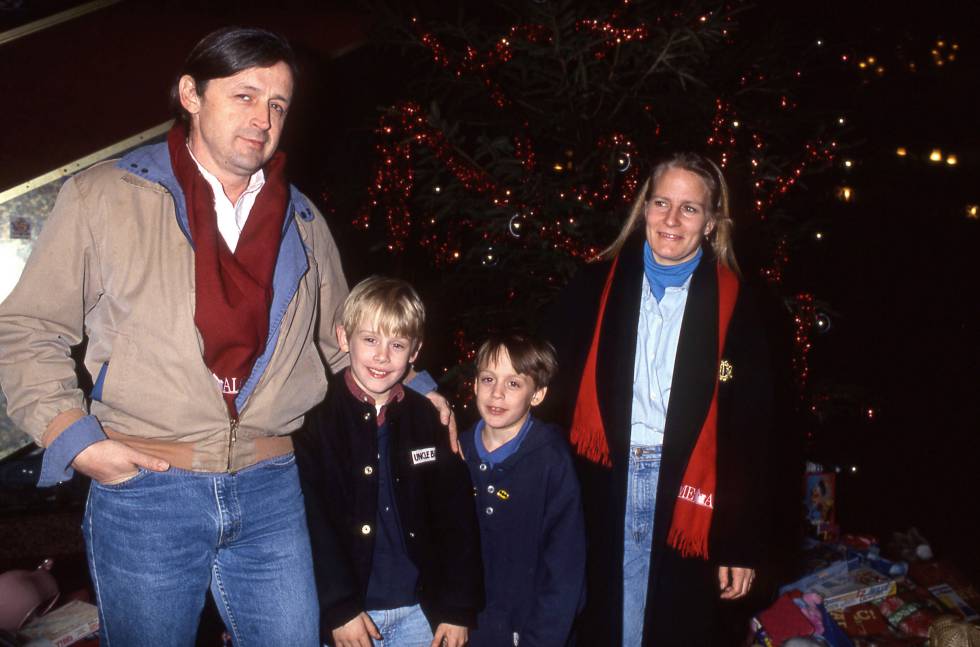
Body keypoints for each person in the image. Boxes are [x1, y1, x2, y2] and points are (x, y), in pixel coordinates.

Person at [0, 27, 451, 647]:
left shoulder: (304, 220)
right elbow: (29, 327)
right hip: (146, 484)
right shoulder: (105, 196)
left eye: (278, 104)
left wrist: (417, 386)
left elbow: (344, 340)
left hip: (273, 486)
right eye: (245, 95)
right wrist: (72, 438)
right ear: (191, 94)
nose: (263, 118)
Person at [543, 152, 775, 646]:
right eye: (661, 203)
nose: (671, 219)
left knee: (672, 628)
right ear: (643, 208)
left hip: (685, 494)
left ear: (710, 223)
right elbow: (539, 379)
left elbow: (751, 434)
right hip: (599, 485)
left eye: (689, 209)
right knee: (601, 623)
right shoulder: (592, 287)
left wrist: (741, 543)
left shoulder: (739, 306)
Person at [294, 276, 483, 647]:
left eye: (397, 344)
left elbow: (457, 518)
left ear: (415, 352)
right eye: (370, 340)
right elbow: (311, 522)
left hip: (420, 615)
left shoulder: (429, 420)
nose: (382, 356)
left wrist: (458, 608)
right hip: (350, 618)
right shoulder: (313, 420)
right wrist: (339, 607)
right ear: (343, 337)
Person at [460, 333, 586, 647]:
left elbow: (565, 569)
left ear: (537, 394)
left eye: (514, 383)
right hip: (464, 629)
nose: (497, 393)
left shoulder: (552, 461)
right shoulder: (456, 451)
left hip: (529, 632)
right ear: (474, 384)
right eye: (488, 379)